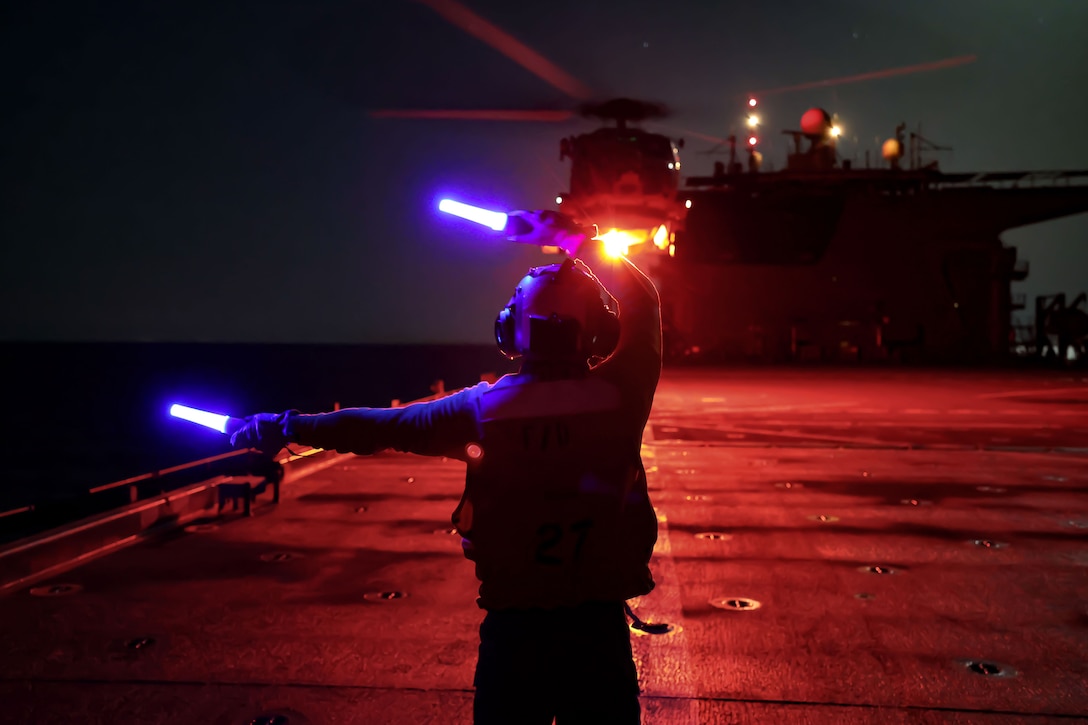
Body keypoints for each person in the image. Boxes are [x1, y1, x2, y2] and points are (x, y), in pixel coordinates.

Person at [230, 209, 663, 724]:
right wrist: (575, 242)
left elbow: (377, 427)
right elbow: (644, 302)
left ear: (513, 328)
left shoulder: (483, 410)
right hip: (596, 635)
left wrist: (286, 426)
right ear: (596, 329)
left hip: (514, 633)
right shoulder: (622, 394)